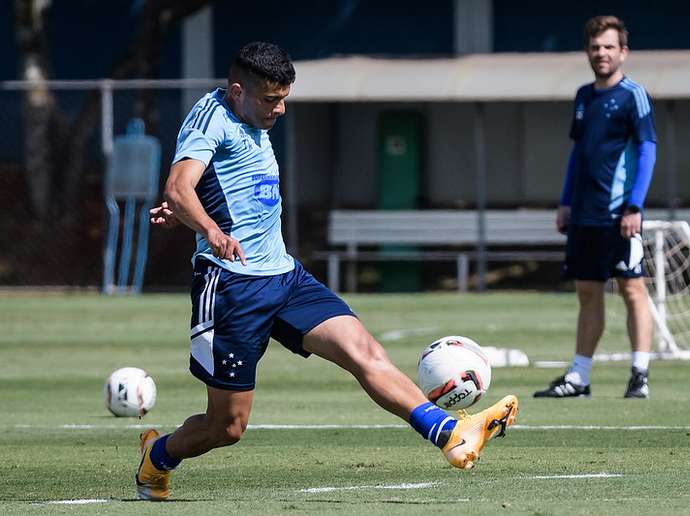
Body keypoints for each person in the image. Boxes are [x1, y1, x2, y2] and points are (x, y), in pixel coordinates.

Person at [137, 41, 518, 501]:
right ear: (237, 91)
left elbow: (215, 187)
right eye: (270, 100)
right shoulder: (210, 118)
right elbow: (180, 188)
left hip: (285, 276)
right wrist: (206, 227)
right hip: (232, 287)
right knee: (228, 425)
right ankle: (158, 458)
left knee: (365, 353)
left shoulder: (251, 113)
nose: (279, 109)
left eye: (284, 98)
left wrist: (192, 211)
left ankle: (453, 436)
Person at [533, 16, 657, 400]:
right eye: (595, 47)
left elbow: (648, 149)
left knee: (632, 289)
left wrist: (634, 205)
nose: (601, 53)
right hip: (583, 214)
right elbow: (578, 153)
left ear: (623, 52)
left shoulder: (633, 95)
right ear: (588, 51)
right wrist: (566, 201)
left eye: (608, 47)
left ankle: (639, 374)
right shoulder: (584, 96)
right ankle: (579, 377)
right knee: (587, 291)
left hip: (619, 213)